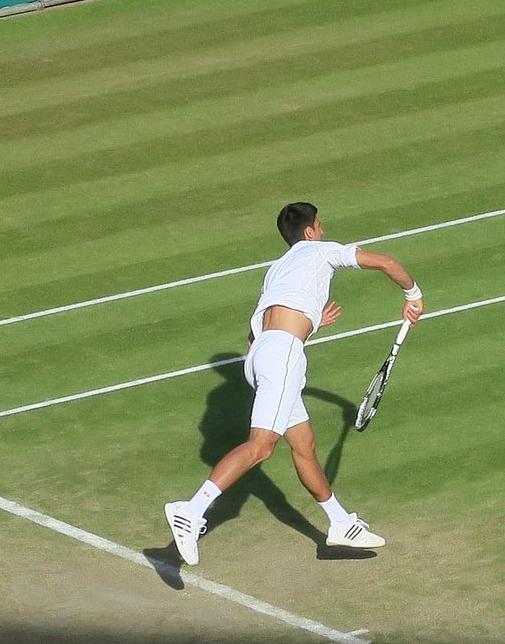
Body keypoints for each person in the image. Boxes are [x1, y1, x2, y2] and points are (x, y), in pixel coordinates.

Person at [164, 202, 424, 565]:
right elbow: (386, 263)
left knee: (304, 444)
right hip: (283, 354)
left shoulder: (278, 269)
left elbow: (263, 332)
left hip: (261, 356)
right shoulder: (322, 251)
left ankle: (339, 523)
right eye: (320, 225)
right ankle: (191, 511)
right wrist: (413, 295)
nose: (323, 230)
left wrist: (311, 323)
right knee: (261, 447)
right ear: (310, 232)